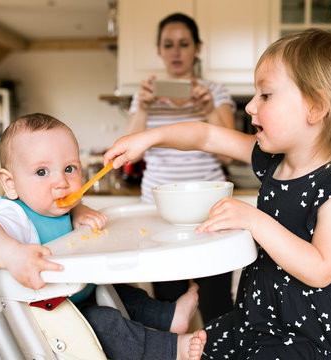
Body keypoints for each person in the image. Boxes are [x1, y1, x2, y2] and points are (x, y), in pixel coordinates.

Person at [104, 28, 331, 359]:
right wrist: (148, 138)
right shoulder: (273, 161)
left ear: (316, 107)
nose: (252, 106)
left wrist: (254, 221)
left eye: (266, 95)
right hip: (263, 316)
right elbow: (206, 136)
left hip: (314, 330)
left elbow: (322, 269)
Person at [0, 113, 206, 360]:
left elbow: (61, 216)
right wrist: (12, 254)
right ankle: (171, 349)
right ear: (11, 184)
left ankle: (169, 316)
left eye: (69, 168)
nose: (61, 182)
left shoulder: (56, 206)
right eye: (41, 172)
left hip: (76, 296)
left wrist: (79, 211)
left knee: (123, 290)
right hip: (46, 315)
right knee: (105, 324)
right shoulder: (13, 213)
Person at [129, 12, 236, 323]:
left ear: (197, 48)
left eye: (184, 44)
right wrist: (144, 107)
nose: (176, 52)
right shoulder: (146, 94)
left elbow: (229, 155)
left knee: (216, 301)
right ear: (159, 50)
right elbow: (132, 154)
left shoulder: (214, 92)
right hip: (158, 210)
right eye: (168, 45)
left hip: (210, 209)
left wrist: (208, 109)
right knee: (168, 302)